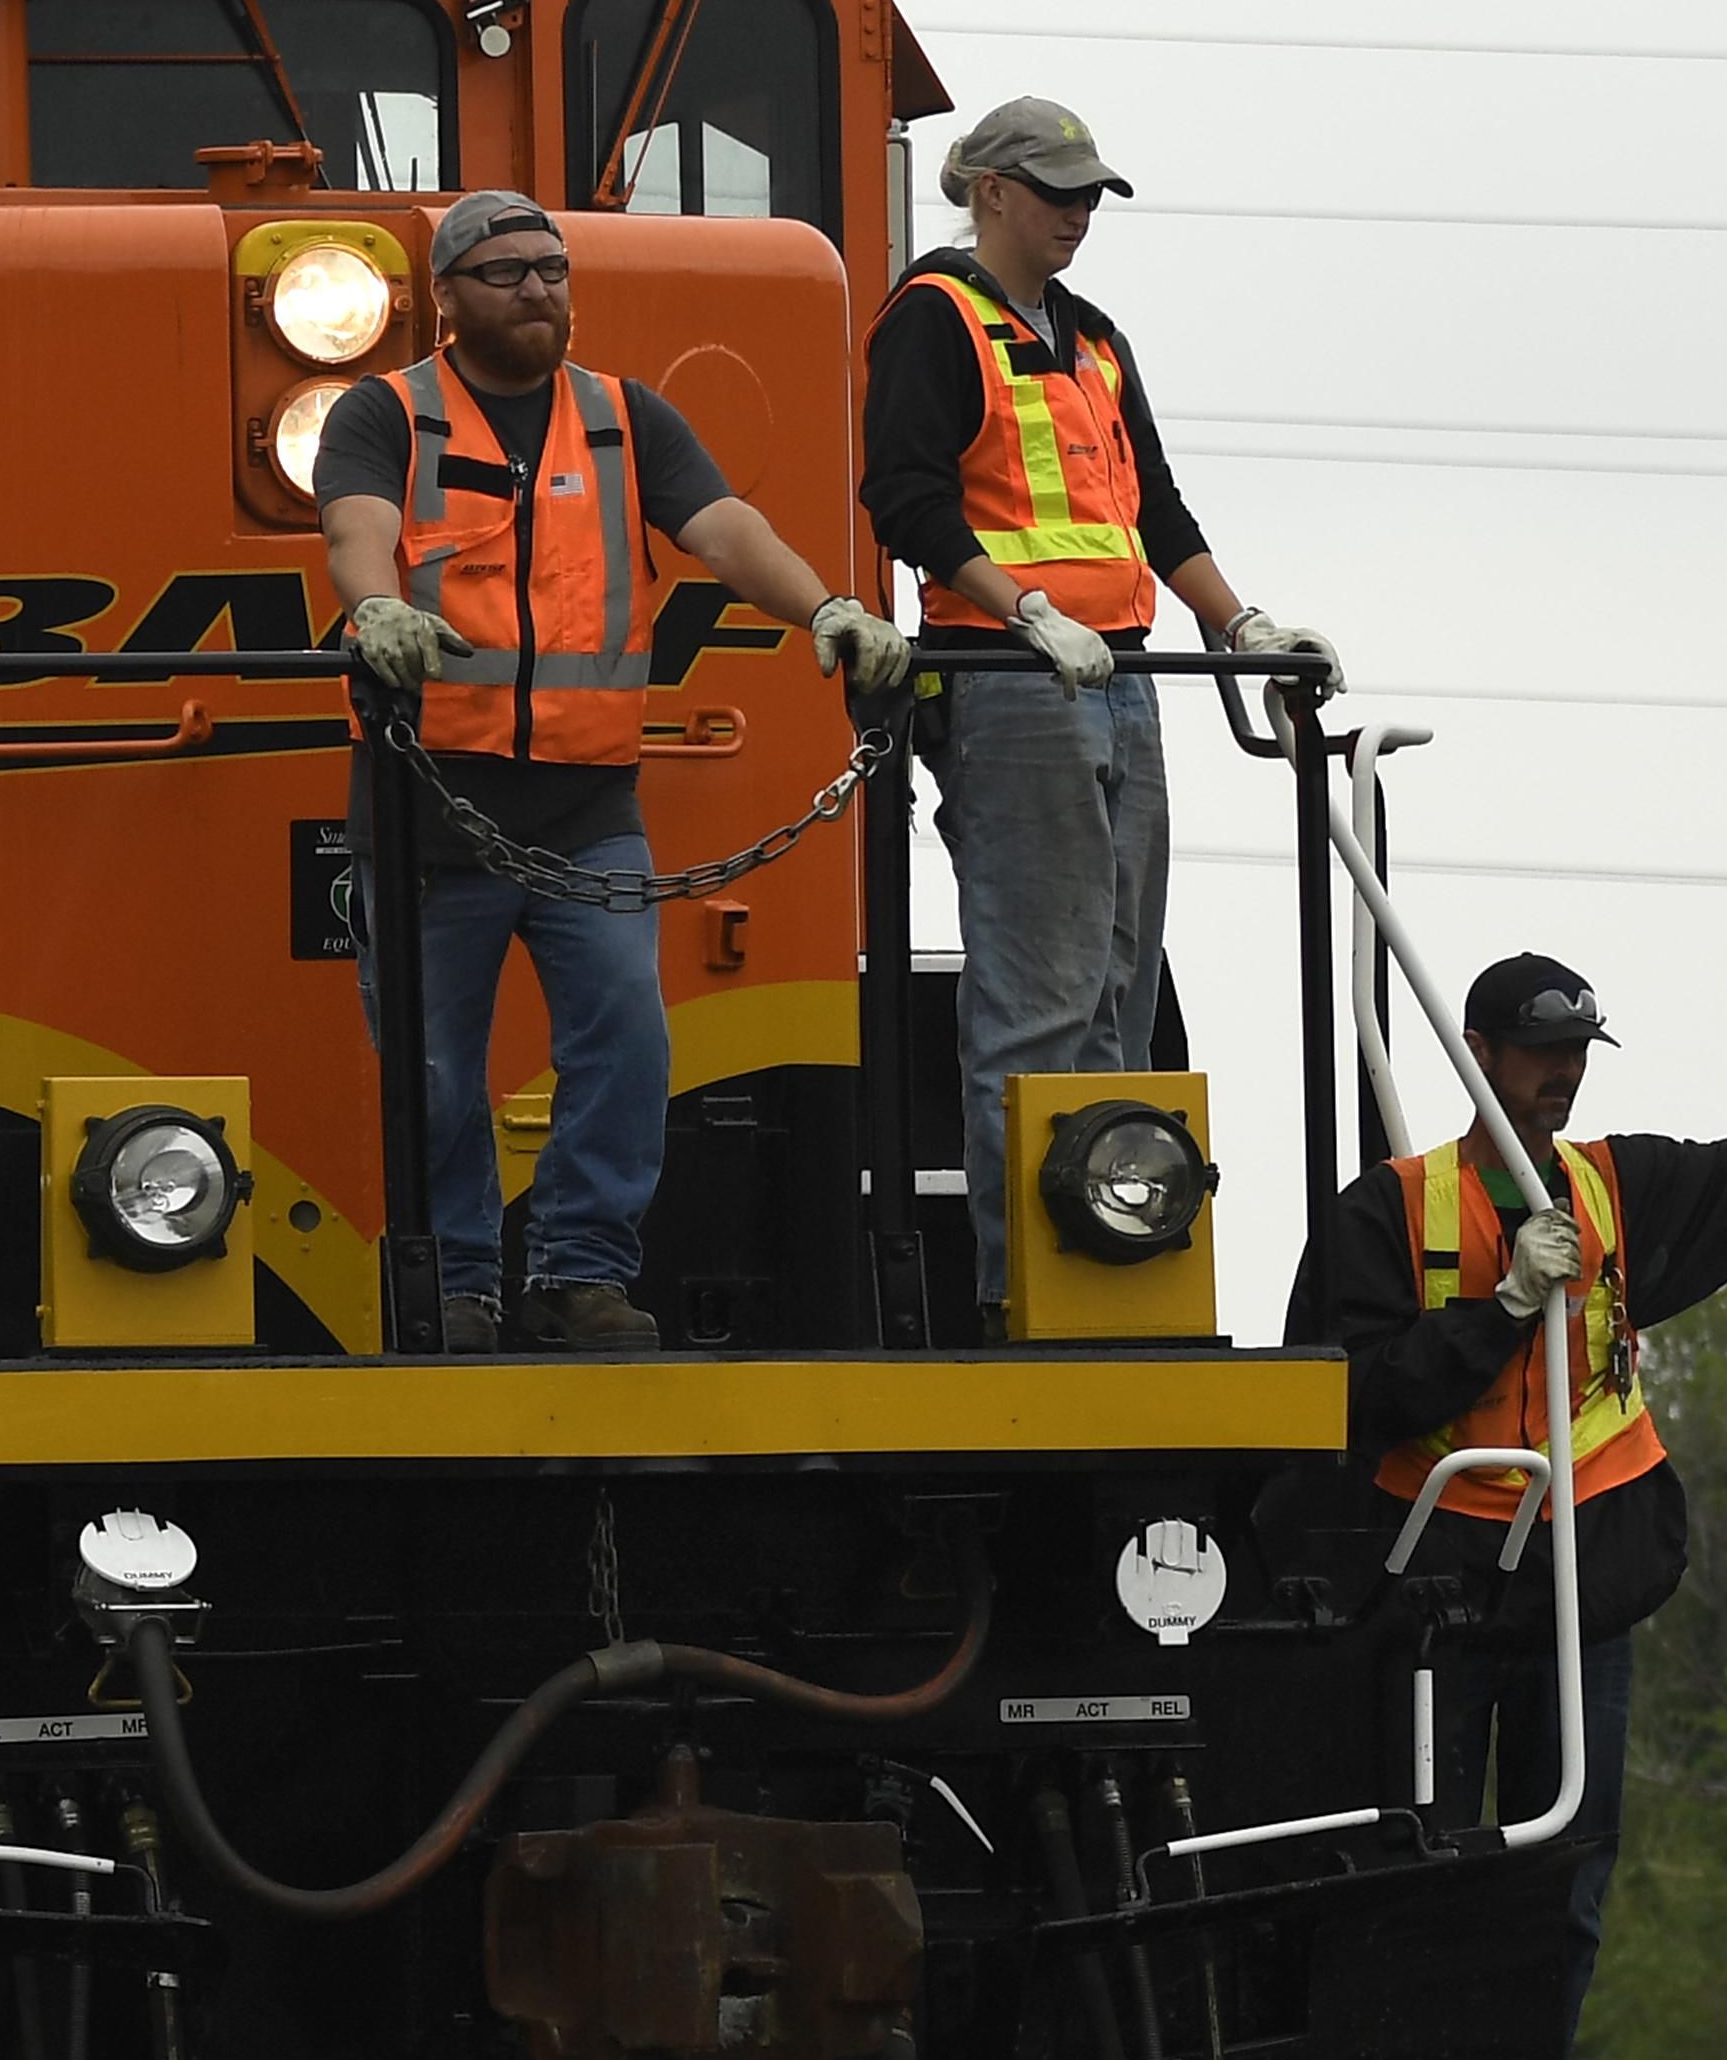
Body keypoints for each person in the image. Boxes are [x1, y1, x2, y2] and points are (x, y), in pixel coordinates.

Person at [1287, 889, 1727, 2060]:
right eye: (1539, 1054)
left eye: (1576, 1054)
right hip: (1432, 1598)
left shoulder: (1623, 1192)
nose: (1560, 1077)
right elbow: (1351, 1402)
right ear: (1479, 1054)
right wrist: (1505, 1306)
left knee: (1567, 1879)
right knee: (1410, 1861)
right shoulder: (1384, 1215)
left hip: (1583, 1590)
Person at [318, 188, 911, 1351]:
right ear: (446, 298)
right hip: (431, 801)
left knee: (628, 1038)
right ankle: (461, 1286)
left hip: (587, 804)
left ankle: (580, 1276)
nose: (538, 289)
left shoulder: (628, 418)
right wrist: (376, 604)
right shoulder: (384, 414)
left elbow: (725, 528)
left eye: (553, 269)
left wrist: (828, 605)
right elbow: (356, 527)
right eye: (506, 273)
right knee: (434, 1074)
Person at [860, 96, 1336, 1328]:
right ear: (991, 193)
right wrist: (1020, 611)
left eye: (1089, 195)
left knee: (1121, 984)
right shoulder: (932, 318)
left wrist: (1240, 628)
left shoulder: (1095, 337)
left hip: (1116, 677)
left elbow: (1156, 511)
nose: (1078, 214)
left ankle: (1112, 1262)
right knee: (1039, 996)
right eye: (1059, 191)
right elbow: (904, 499)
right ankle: (1032, 1298)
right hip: (1012, 682)